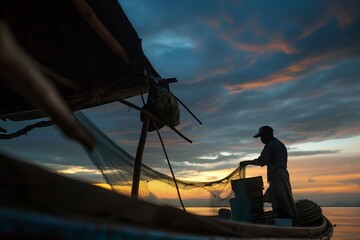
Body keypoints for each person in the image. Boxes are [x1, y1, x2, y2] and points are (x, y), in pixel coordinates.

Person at [240, 126, 297, 222]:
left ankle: (286, 223)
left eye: (262, 136)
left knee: (280, 201)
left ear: (268, 134)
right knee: (287, 199)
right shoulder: (280, 144)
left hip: (276, 175)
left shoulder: (270, 145)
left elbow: (262, 161)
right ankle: (291, 221)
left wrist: (247, 162)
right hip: (284, 174)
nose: (261, 139)